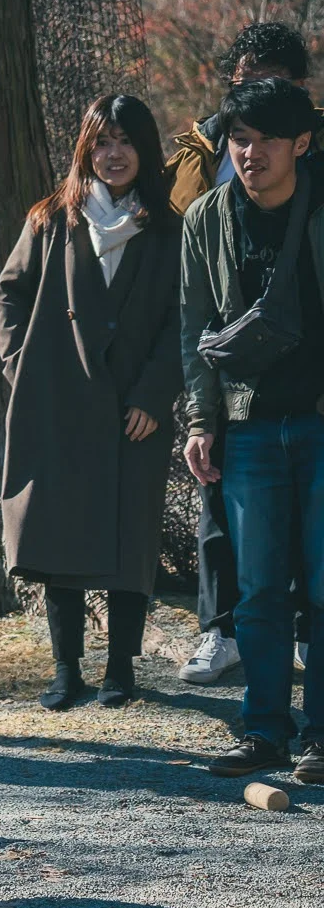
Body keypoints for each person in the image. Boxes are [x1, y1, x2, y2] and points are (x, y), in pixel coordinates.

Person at [0, 94, 181, 710]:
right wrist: (25, 370)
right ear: (85, 149)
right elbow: (8, 296)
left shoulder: (169, 226)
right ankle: (65, 671)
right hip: (60, 408)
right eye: (102, 141)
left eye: (126, 141)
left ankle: (120, 671)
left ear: (145, 150)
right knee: (60, 538)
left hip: (135, 413)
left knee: (132, 540)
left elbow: (186, 320)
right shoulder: (51, 220)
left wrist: (155, 394)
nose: (114, 153)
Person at [179, 77, 324, 779]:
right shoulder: (206, 218)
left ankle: (321, 737)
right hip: (251, 428)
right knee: (258, 590)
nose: (250, 151)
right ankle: (263, 728)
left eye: (266, 138)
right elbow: (193, 328)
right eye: (239, 138)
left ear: (302, 141)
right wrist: (202, 419)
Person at [169, 23, 312, 684]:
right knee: (225, 524)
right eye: (249, 77)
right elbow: (190, 295)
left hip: (309, 395)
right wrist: (199, 415)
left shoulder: (308, 151)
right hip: (235, 387)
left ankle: (311, 698)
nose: (252, 150)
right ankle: (224, 639)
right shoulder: (203, 155)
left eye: (274, 81)